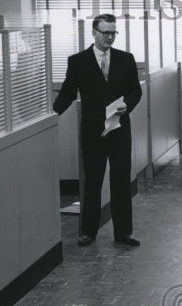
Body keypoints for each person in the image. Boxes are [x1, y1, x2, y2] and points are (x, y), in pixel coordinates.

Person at [53, 14, 143, 247]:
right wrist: (51, 115)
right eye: (106, 33)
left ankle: (123, 233)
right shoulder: (78, 61)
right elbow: (68, 93)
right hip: (93, 131)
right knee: (92, 180)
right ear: (94, 33)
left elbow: (135, 91)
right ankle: (88, 232)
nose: (110, 37)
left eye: (114, 33)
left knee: (121, 180)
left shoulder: (126, 59)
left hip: (119, 128)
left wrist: (128, 105)